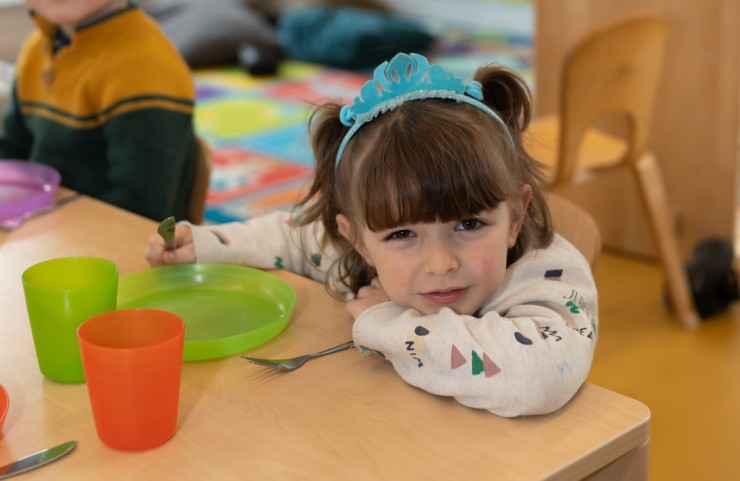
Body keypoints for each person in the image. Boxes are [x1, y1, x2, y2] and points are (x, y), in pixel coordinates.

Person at [145, 52, 598, 417]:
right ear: (356, 237)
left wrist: (390, 322)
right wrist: (207, 245)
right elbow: (287, 237)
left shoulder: (549, 277)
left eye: (469, 224)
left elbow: (540, 381)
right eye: (403, 234)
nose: (440, 263)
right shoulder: (346, 247)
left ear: (515, 217)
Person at [0, 0, 198, 221]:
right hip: (47, 226)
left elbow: (140, 206)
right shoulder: (36, 50)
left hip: (118, 241)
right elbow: (11, 151)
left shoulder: (146, 69)